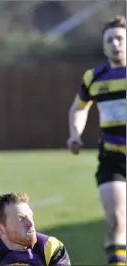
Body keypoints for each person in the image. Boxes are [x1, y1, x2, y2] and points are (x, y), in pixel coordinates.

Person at [67, 15, 126, 265]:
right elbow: (79, 108)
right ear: (104, 46)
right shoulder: (94, 77)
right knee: (116, 218)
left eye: (120, 38)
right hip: (112, 157)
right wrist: (75, 133)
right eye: (110, 39)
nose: (115, 44)